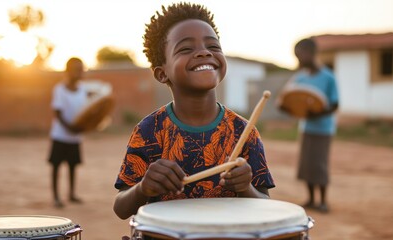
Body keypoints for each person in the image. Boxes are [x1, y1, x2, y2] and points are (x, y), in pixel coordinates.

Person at [113, 2, 275, 220]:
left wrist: (246, 187)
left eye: (213, 46)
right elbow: (121, 208)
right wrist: (143, 188)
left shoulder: (244, 132)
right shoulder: (148, 132)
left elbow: (265, 207)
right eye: (186, 49)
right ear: (162, 74)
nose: (204, 53)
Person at [282, 38, 339, 213]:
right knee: (306, 164)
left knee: (319, 164)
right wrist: (286, 107)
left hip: (323, 129)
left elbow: (335, 104)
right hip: (306, 128)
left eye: (300, 56)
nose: (298, 60)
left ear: (312, 53)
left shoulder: (328, 77)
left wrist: (317, 113)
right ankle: (311, 199)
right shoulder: (300, 77)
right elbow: (286, 99)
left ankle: (323, 201)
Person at [48, 57, 88, 208]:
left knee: (73, 166)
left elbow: (86, 111)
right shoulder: (59, 89)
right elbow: (57, 113)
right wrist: (70, 128)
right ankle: (56, 197)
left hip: (75, 137)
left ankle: (71, 194)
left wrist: (83, 126)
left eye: (81, 69)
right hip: (60, 135)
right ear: (68, 71)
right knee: (56, 166)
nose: (79, 72)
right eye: (76, 69)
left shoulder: (83, 89)